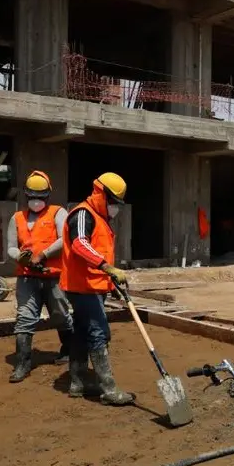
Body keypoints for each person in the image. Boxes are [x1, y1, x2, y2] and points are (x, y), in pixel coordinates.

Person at [59, 172, 134, 406]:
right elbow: (79, 244)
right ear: (101, 194)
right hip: (83, 287)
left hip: (93, 285)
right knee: (99, 332)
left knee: (81, 333)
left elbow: (99, 251)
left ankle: (78, 383)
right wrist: (107, 268)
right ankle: (108, 389)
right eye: (112, 202)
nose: (115, 208)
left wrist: (109, 283)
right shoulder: (83, 214)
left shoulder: (101, 218)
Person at [6, 170, 74, 383]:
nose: (36, 201)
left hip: (54, 277)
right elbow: (10, 247)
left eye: (41, 197)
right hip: (27, 278)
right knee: (24, 318)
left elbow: (64, 240)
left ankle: (69, 351)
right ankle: (23, 363)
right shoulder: (16, 218)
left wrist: (43, 255)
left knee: (61, 314)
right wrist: (22, 257)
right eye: (32, 197)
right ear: (26, 196)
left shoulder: (58, 213)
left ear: (48, 196)